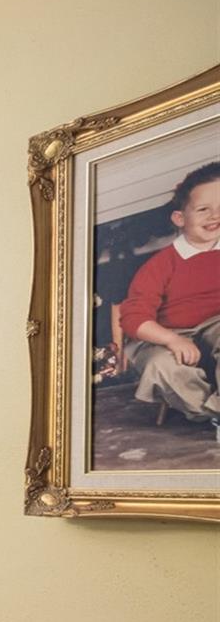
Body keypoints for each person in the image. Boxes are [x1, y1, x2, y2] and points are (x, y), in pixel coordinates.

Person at [118, 161, 220, 435]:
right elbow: (132, 318)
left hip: (216, 328)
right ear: (179, 218)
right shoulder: (162, 264)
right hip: (165, 334)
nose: (215, 216)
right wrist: (172, 339)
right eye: (203, 210)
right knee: (160, 366)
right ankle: (211, 413)